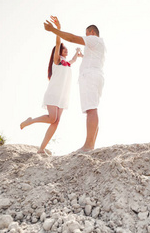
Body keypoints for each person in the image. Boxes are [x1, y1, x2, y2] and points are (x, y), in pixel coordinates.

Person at [20, 16, 82, 154]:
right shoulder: (57, 61)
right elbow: (58, 42)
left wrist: (78, 53)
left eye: (66, 49)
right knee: (52, 118)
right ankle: (31, 120)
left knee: (56, 122)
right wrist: (58, 30)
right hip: (53, 93)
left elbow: (73, 59)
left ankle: (41, 149)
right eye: (63, 49)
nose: (65, 50)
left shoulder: (66, 63)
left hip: (62, 96)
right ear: (58, 51)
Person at [44, 17, 106, 152]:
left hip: (90, 77)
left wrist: (53, 30)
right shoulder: (99, 46)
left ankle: (88, 145)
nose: (85, 37)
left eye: (86, 33)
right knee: (92, 108)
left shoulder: (93, 39)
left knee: (91, 110)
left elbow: (72, 38)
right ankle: (91, 145)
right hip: (95, 76)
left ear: (91, 32)